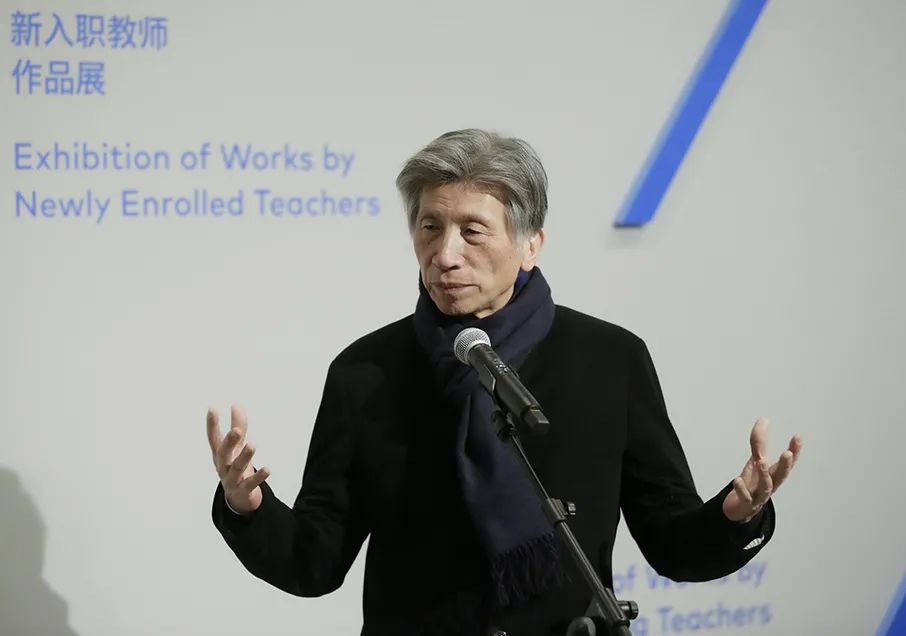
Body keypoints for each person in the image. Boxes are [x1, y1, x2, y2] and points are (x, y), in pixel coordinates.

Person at [207, 129, 802, 636]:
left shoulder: (609, 360)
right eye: (430, 227)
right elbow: (314, 562)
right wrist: (247, 506)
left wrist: (736, 515)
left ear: (530, 244)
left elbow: (673, 544)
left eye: (472, 231)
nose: (445, 254)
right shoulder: (366, 372)